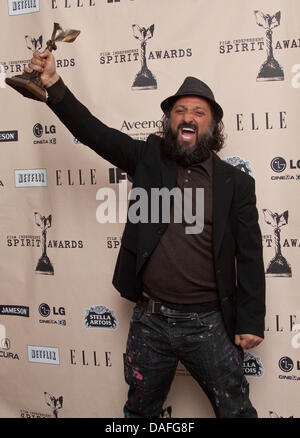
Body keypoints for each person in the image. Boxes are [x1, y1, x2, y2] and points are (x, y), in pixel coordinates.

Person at [25, 50, 265, 418]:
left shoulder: (236, 184)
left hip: (209, 323)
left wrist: (250, 320)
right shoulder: (149, 158)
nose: (187, 117)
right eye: (179, 111)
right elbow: (95, 133)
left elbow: (249, 255)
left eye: (199, 112)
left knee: (237, 412)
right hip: (151, 322)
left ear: (213, 126)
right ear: (169, 121)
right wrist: (54, 84)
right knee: (139, 413)